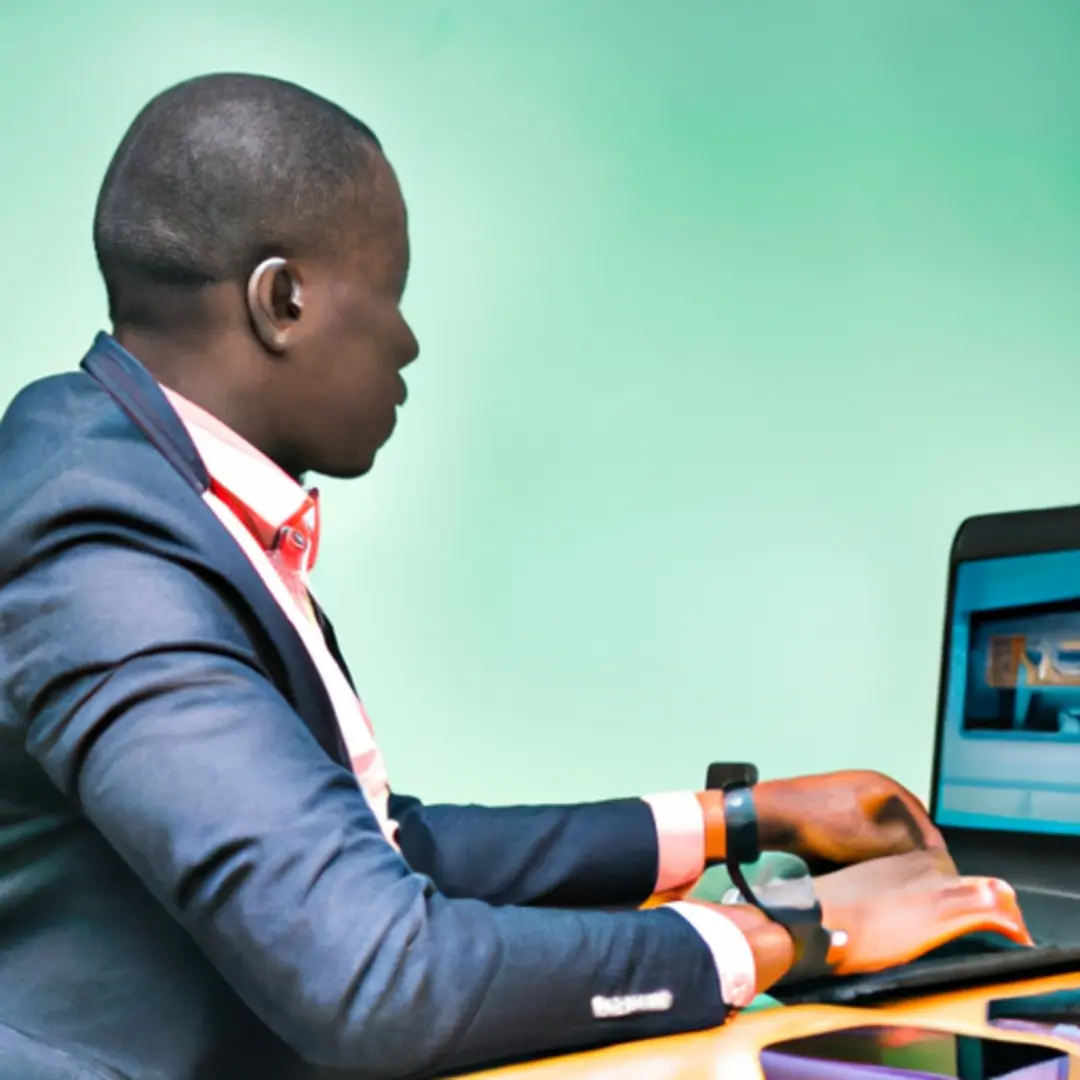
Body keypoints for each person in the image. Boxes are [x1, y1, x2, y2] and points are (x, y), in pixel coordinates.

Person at [0, 73, 1030, 1080]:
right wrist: (790, 933)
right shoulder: (100, 546)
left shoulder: (165, 490)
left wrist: (739, 820)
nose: (407, 342)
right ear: (286, 301)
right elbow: (377, 972)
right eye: (391, 294)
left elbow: (381, 851)